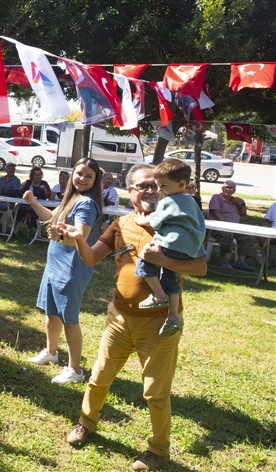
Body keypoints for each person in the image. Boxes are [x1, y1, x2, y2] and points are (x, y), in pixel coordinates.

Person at [58, 163, 207, 471]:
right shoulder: (121, 223)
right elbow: (91, 258)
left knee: (155, 392)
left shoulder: (173, 221)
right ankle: (86, 423)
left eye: (156, 185)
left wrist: (162, 258)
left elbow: (200, 267)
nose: (151, 190)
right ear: (131, 192)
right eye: (143, 186)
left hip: (161, 321)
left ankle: (158, 450)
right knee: (99, 378)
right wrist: (77, 238)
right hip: (119, 317)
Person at [23, 158, 103, 384]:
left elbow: (81, 237)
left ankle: (75, 370)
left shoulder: (86, 204)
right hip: (55, 264)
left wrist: (59, 236)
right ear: (72, 174)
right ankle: (51, 352)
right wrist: (32, 201)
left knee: (69, 318)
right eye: (79, 174)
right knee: (51, 312)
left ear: (96, 180)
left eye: (89, 176)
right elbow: (49, 219)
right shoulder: (72, 198)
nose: (82, 179)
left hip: (72, 268)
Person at [133, 159, 206, 337]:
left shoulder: (170, 200)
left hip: (171, 243)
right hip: (188, 248)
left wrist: (142, 220)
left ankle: (159, 295)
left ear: (181, 184)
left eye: (163, 186)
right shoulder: (191, 200)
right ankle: (172, 316)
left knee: (144, 261)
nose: (159, 190)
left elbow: (156, 221)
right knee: (170, 277)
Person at [208, 180, 255, 270]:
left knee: (249, 236)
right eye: (227, 187)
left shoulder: (235, 201)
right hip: (218, 227)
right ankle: (223, 260)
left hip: (234, 228)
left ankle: (240, 261)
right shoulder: (217, 197)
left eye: (231, 188)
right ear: (222, 188)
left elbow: (243, 214)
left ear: (234, 190)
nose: (229, 190)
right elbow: (216, 212)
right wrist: (226, 226)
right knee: (227, 234)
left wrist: (243, 203)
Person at [264, 202, 276, 268]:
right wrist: (267, 230)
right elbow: (266, 221)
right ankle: (270, 260)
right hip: (273, 232)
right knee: (262, 237)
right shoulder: (274, 205)